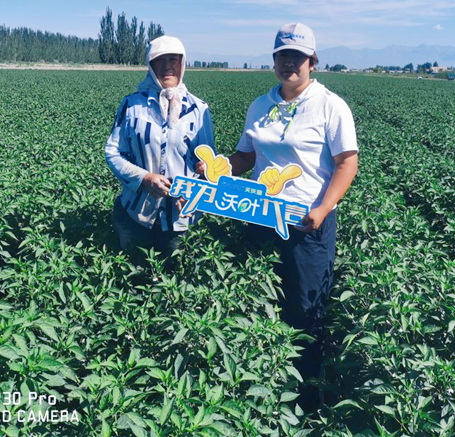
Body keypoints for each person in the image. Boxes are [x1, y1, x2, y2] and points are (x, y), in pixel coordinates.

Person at [199, 22, 358, 410]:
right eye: (283, 55)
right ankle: (258, 384)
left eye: (298, 57)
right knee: (260, 298)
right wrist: (218, 168)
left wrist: (322, 209)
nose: (290, 63)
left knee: (305, 309)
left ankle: (303, 398)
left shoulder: (329, 105)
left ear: (312, 62)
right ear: (274, 61)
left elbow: (347, 164)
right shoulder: (261, 105)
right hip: (261, 217)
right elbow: (247, 157)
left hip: (307, 224)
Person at [105, 35, 214, 266]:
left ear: (182, 64)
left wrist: (195, 189)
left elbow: (209, 164)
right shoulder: (132, 105)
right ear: (150, 64)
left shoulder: (198, 110)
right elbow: (113, 152)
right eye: (160, 60)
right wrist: (143, 178)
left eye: (174, 59)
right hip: (136, 215)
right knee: (134, 277)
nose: (167, 66)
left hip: (181, 219)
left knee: (178, 281)